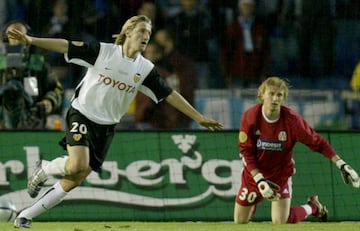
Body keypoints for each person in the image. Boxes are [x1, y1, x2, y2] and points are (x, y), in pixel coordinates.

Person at [7, 15, 223, 228]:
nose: (146, 35)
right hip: (81, 113)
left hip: (107, 126)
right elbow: (65, 45)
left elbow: (170, 94)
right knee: (77, 164)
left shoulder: (145, 68)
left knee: (76, 178)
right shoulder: (104, 52)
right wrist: (32, 40)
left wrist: (199, 117)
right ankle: (44, 169)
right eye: (141, 31)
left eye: (148, 32)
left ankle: (25, 216)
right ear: (127, 32)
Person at [234, 76, 360, 224]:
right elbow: (246, 152)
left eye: (279, 95)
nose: (275, 99)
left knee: (280, 222)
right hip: (254, 176)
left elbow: (318, 143)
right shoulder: (250, 117)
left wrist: (341, 164)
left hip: (279, 175)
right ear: (262, 95)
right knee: (240, 221)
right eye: (271, 93)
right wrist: (259, 179)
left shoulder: (292, 121)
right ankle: (254, 200)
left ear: (284, 98)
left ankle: (312, 207)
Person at [0, 20, 63, 129]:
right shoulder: (1, 63)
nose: (17, 41)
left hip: (33, 122)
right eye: (12, 36)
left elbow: (57, 89)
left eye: (20, 36)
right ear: (5, 39)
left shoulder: (38, 64)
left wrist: (48, 102)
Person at [221, 0, 270, 88]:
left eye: (249, 6)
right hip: (236, 72)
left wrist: (264, 73)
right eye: (245, 6)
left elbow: (265, 52)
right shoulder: (232, 29)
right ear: (240, 7)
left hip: (255, 72)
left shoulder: (259, 29)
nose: (247, 9)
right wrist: (227, 74)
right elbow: (226, 53)